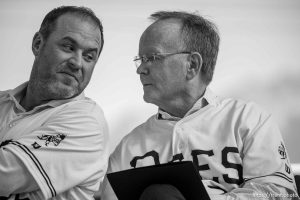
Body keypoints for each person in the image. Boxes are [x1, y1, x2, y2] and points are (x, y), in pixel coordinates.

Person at [101, 11, 299, 200]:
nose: (141, 69)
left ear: (193, 65)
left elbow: (281, 193)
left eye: (152, 58)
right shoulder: (129, 146)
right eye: (140, 59)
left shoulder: (249, 120)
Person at [0, 6, 109, 200]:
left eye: (89, 56)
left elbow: (3, 176)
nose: (77, 63)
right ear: (37, 43)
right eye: (68, 47)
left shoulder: (86, 122)